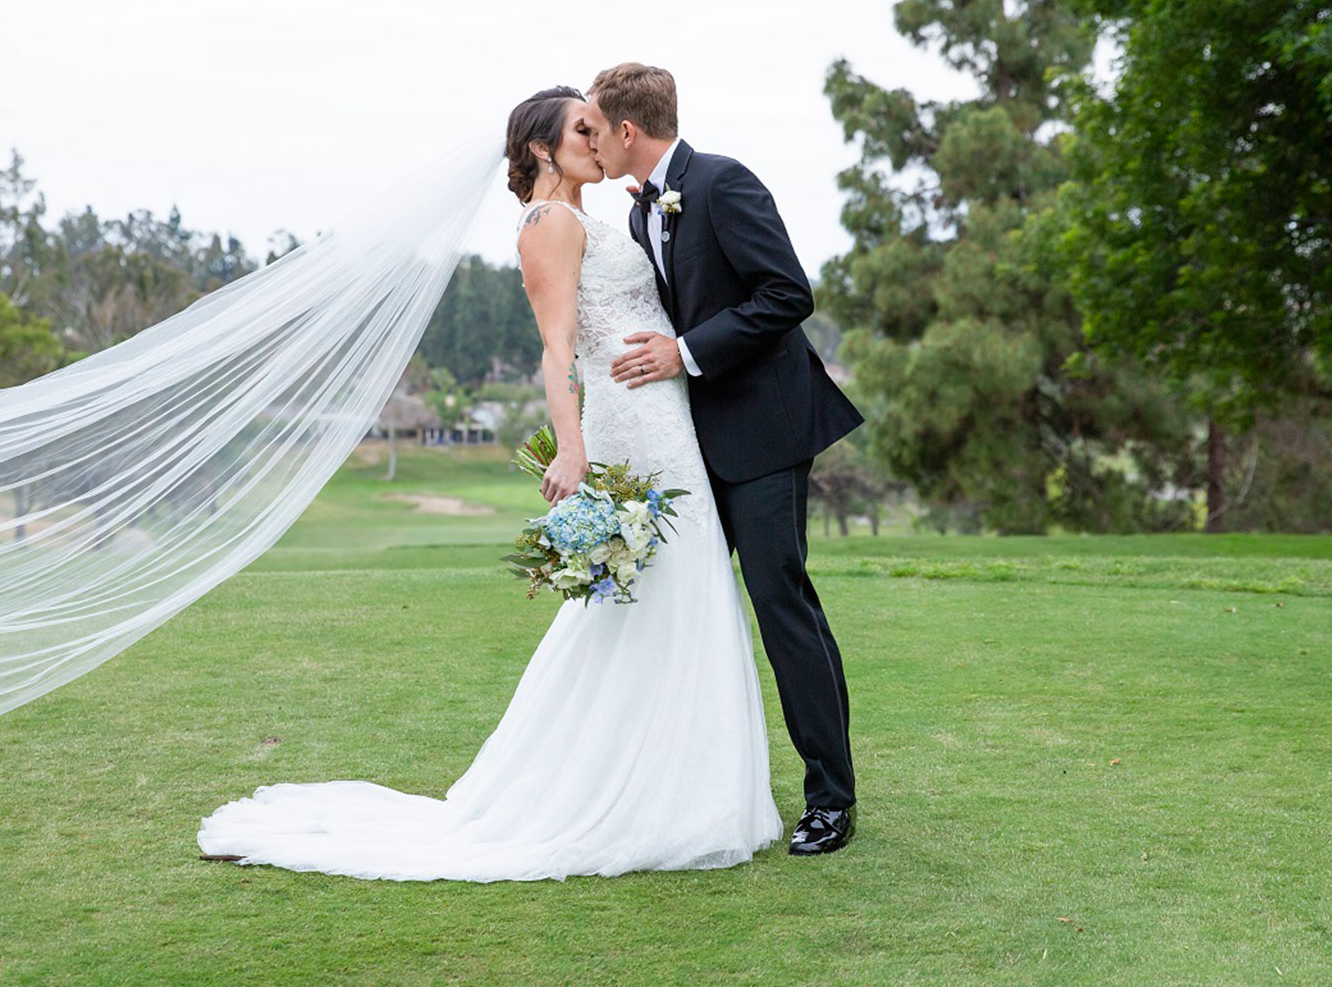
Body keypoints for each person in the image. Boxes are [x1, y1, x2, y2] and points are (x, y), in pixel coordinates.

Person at [196, 85, 784, 878]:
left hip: (665, 416)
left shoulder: (593, 216)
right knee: (654, 597)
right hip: (632, 424)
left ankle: (680, 785)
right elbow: (556, 347)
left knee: (673, 594)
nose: (598, 139)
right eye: (582, 129)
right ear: (542, 147)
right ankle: (636, 794)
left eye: (598, 127)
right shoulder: (548, 224)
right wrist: (571, 448)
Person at [589, 62, 863, 858]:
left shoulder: (722, 181)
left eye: (596, 129)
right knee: (697, 609)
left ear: (628, 130)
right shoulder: (639, 212)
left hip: (766, 433)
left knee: (781, 604)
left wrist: (684, 351)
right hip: (690, 443)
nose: (592, 143)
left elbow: (787, 293)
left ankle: (832, 798)